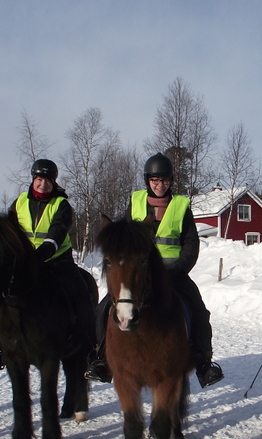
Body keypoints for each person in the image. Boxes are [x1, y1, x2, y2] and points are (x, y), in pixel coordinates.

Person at [85, 152, 224, 388]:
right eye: (155, 181)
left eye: (165, 181)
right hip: (138, 273)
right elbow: (125, 238)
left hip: (172, 272)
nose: (160, 185)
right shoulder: (136, 202)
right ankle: (99, 358)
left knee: (198, 309)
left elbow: (191, 243)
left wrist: (179, 268)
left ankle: (203, 362)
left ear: (171, 181)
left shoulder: (181, 206)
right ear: (148, 181)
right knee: (104, 307)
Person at [0, 158, 92, 369]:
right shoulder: (19, 203)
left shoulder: (61, 204)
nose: (43, 185)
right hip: (25, 263)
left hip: (57, 260)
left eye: (48, 181)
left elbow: (57, 232)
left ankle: (88, 344)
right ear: (33, 179)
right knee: (5, 296)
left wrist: (41, 253)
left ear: (54, 182)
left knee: (81, 291)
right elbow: (10, 231)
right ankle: (1, 347)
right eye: (39, 180)